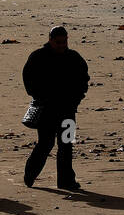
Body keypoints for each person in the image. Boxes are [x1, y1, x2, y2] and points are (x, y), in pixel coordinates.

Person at [22, 26, 89, 191]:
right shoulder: (37, 57)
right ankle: (30, 174)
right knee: (45, 144)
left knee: (67, 144)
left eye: (64, 42)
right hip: (46, 112)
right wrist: (40, 97)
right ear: (50, 40)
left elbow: (83, 80)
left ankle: (66, 181)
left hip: (68, 110)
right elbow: (28, 80)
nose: (61, 45)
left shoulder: (74, 57)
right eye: (58, 42)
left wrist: (77, 98)